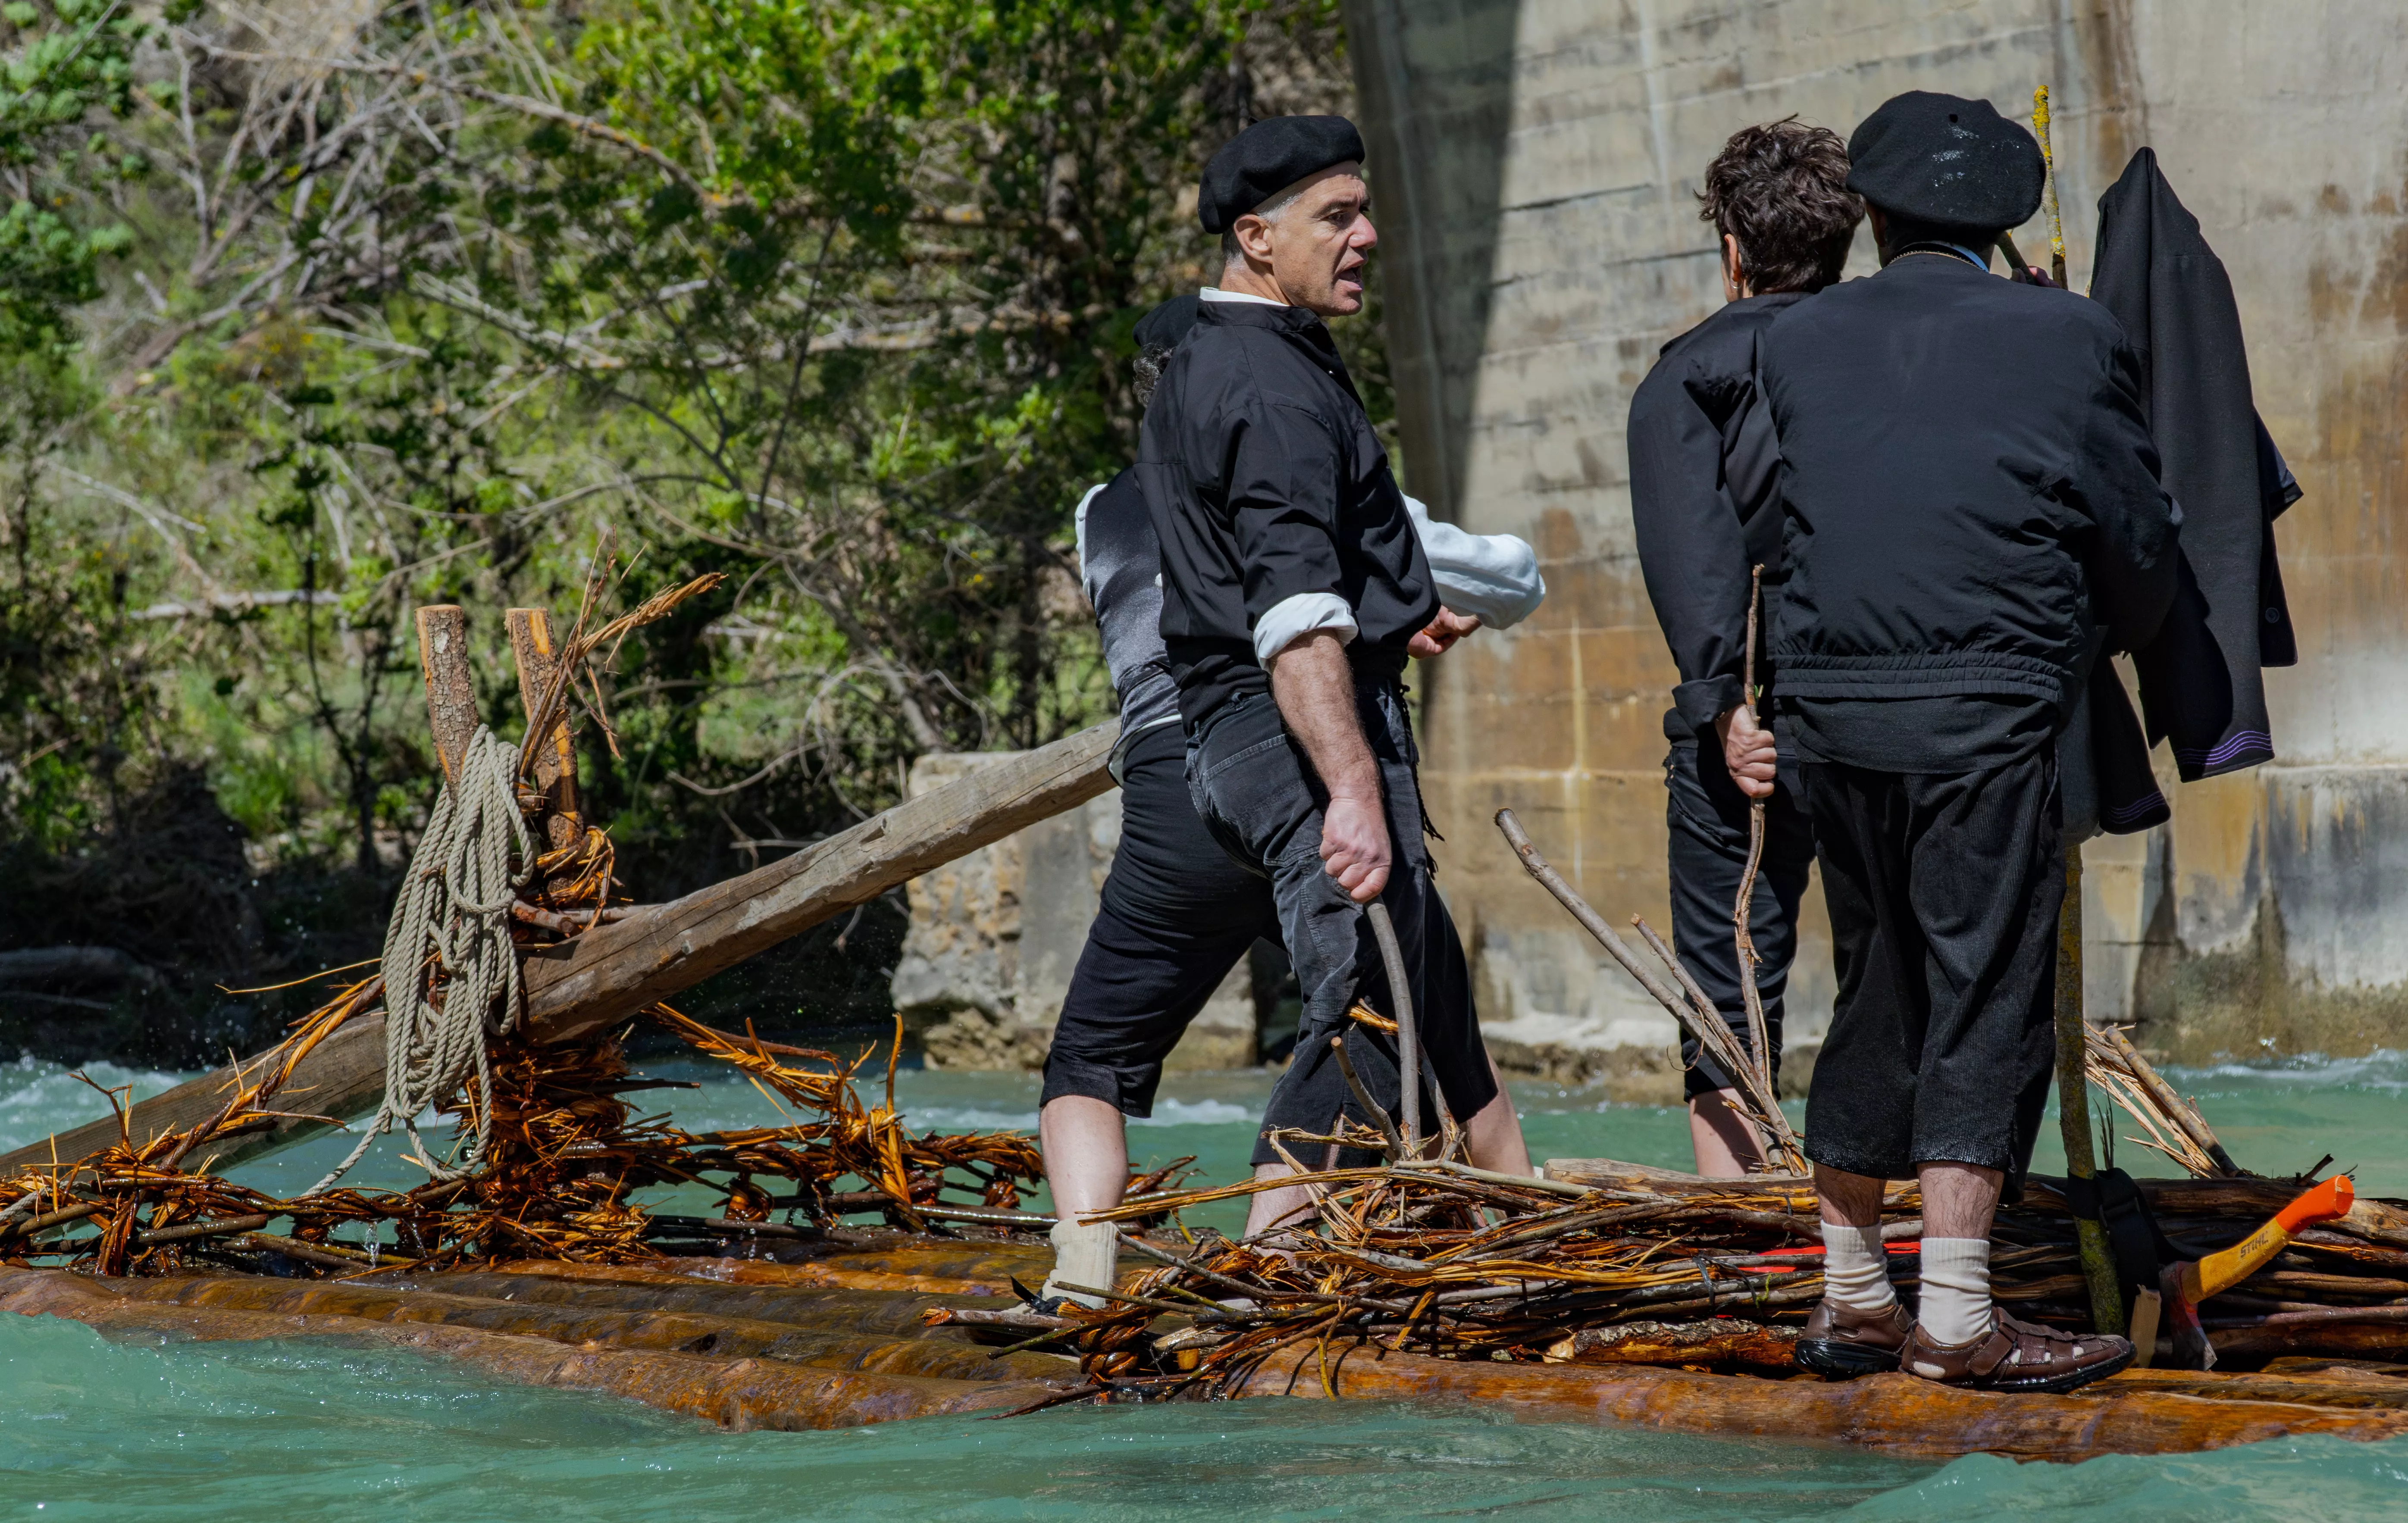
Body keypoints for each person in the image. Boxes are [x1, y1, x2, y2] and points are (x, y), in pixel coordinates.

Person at [1762, 93, 2177, 1392]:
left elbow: (1791, 516)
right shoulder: (2071, 332)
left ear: (1874, 217)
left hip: (1828, 712)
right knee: (1984, 989)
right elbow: (2138, 540)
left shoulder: (1794, 337)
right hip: (1985, 711)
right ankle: (1953, 1316)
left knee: (1878, 984)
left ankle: (1850, 1299)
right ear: (2000, 228)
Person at [1037, 294, 1545, 1304]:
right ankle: (1300, 1257)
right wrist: (1404, 602)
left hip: (1169, 793)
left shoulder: (1100, 508)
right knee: (1394, 1002)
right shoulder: (1294, 460)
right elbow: (1507, 578)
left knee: (1090, 1051)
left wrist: (1385, 609)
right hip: (1292, 766)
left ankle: (1082, 1265)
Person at [1137, 114, 1532, 1244]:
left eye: (1364, 212)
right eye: (1337, 216)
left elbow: (1264, 566)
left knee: (1422, 979)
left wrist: (1399, 614)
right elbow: (1289, 612)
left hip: (1244, 732)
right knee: (1365, 998)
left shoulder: (1214, 356)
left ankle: (1506, 1216)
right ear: (1256, 236)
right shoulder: (1269, 380)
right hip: (1296, 736)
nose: (1365, 237)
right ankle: (1266, 1272)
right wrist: (1352, 786)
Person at [1628, 119, 1861, 1176]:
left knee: (1728, 989)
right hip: (1892, 703)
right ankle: (1898, 1218)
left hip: (1755, 717)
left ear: (1731, 248)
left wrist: (1721, 705)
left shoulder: (1688, 376)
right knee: (1894, 965)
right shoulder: (1896, 351)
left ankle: (1744, 1230)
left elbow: (1695, 554)